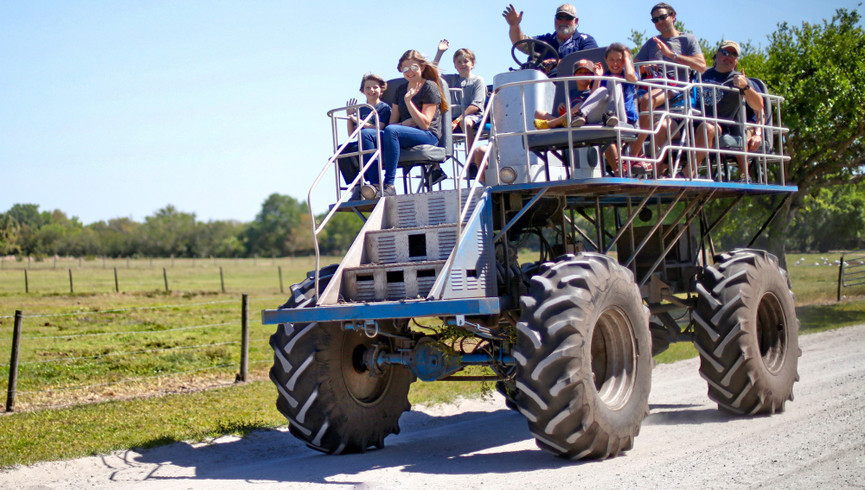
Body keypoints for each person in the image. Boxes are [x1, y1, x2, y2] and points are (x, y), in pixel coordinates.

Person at [360, 50, 449, 199]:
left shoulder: (429, 87)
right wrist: (404, 124)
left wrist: (409, 102)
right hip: (402, 130)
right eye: (405, 69)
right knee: (366, 134)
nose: (409, 72)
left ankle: (390, 185)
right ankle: (375, 186)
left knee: (392, 131)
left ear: (422, 67)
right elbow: (393, 122)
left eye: (413, 68)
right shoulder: (401, 89)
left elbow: (425, 124)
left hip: (427, 135)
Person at [629, 2, 706, 164]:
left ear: (673, 16)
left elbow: (701, 66)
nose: (659, 22)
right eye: (655, 20)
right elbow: (635, 66)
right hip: (652, 85)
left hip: (676, 87)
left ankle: (633, 154)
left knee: (647, 100)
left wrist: (672, 55)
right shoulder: (652, 42)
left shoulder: (687, 39)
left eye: (662, 17)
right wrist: (645, 67)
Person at [690, 40, 764, 180]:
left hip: (725, 125)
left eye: (733, 55)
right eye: (725, 52)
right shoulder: (700, 75)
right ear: (716, 56)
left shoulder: (740, 80)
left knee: (731, 120)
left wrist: (746, 87)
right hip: (695, 120)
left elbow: (759, 108)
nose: (729, 57)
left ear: (736, 61)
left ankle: (744, 174)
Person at [567, 43, 639, 175]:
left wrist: (628, 59)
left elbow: (630, 75)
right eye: (611, 59)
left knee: (615, 82)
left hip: (624, 118)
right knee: (603, 89)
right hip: (605, 118)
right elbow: (593, 97)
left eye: (619, 60)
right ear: (606, 60)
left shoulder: (629, 74)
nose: (615, 63)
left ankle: (610, 114)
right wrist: (598, 78)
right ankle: (581, 115)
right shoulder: (604, 75)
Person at [502, 3, 598, 76]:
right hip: (542, 88)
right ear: (555, 19)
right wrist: (514, 25)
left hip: (573, 91)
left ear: (576, 21)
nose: (563, 21)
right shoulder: (544, 40)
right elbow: (521, 43)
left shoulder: (585, 40)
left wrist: (556, 63)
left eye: (568, 18)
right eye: (560, 17)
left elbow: (590, 62)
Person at [432, 40, 487, 164]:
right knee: (433, 126)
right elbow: (432, 73)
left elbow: (475, 105)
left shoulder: (478, 81)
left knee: (465, 122)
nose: (462, 64)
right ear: (455, 65)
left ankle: (471, 161)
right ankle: (435, 166)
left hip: (470, 116)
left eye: (466, 61)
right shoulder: (451, 79)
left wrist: (457, 120)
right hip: (452, 116)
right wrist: (440, 52)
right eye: (459, 62)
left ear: (472, 64)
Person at [338, 74, 391, 199]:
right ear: (363, 90)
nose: (371, 90)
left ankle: (375, 184)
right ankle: (357, 186)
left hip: (377, 142)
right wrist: (349, 118)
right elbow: (352, 135)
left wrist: (357, 119)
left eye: (375, 87)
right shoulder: (361, 110)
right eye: (368, 88)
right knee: (342, 149)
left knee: (365, 142)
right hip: (362, 141)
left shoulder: (384, 108)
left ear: (381, 90)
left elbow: (379, 128)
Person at [533, 58, 599, 129]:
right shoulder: (571, 93)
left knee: (579, 105)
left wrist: (598, 77)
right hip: (566, 120)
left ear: (592, 76)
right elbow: (567, 111)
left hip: (580, 120)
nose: (583, 75)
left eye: (587, 73)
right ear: (574, 75)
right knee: (538, 113)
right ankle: (559, 123)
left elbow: (593, 98)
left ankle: (553, 123)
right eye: (580, 72)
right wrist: (561, 107)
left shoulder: (591, 92)